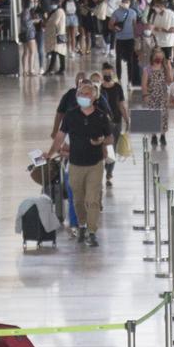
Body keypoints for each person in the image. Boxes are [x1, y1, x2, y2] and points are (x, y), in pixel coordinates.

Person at [61, 79, 112, 247]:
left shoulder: (101, 116)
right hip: (75, 164)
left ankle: (92, 231)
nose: (84, 96)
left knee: (92, 199)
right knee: (78, 199)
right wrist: (52, 152)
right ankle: (81, 224)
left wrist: (101, 141)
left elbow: (110, 137)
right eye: (81, 93)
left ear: (94, 97)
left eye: (87, 93)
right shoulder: (71, 115)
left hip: (95, 164)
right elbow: (60, 138)